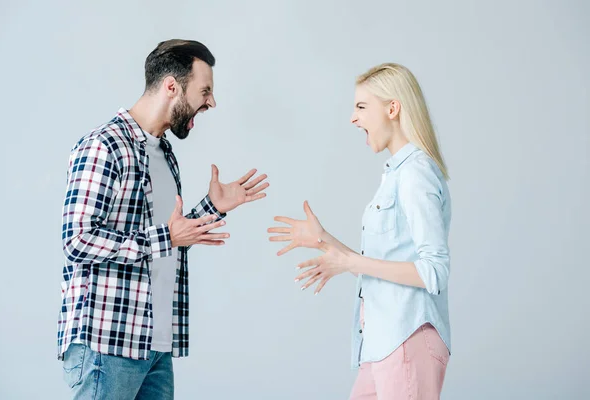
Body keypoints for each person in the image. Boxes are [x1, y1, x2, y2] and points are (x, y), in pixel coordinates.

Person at [58, 39, 269, 399]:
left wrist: (212, 207)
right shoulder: (104, 146)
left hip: (155, 344)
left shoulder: (164, 152)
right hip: (107, 344)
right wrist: (166, 238)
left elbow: (169, 233)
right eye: (205, 91)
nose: (211, 102)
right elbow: (77, 240)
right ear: (172, 86)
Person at [268, 63, 451, 399]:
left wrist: (351, 263)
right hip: (383, 343)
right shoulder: (395, 175)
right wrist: (323, 240)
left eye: (361, 107)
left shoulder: (415, 174)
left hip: (408, 338)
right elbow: (388, 258)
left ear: (392, 109)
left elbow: (433, 271)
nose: (353, 118)